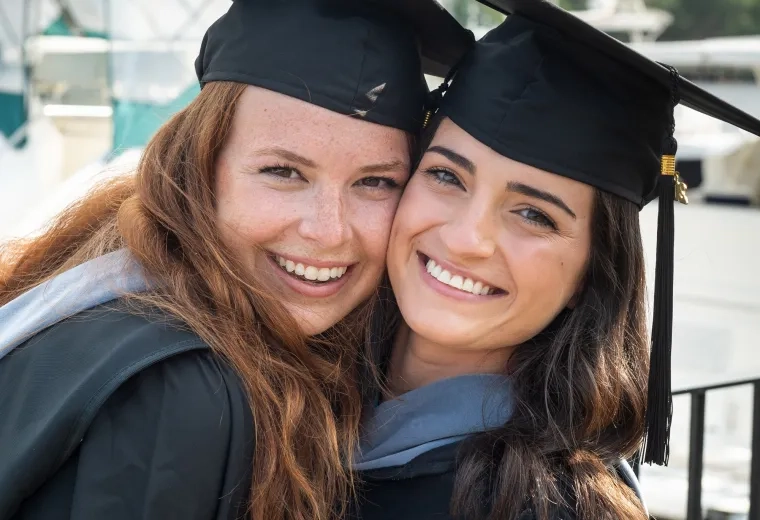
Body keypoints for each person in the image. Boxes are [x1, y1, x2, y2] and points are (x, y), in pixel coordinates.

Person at [0, 1, 472, 519]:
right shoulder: (181, 392)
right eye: (283, 172)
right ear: (200, 168)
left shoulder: (110, 291)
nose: (328, 230)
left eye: (376, 182)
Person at [349, 1, 760, 519]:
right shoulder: (293, 401)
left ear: (591, 274)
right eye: (447, 176)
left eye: (533, 214)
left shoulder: (550, 506)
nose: (467, 237)